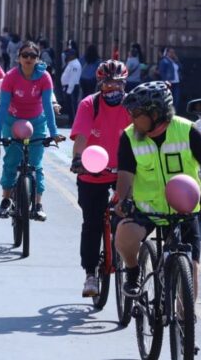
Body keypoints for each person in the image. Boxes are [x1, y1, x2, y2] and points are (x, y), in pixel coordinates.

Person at [114, 82, 201, 304]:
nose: (132, 119)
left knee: (189, 288)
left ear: (155, 113)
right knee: (123, 235)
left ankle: (185, 330)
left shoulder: (187, 130)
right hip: (147, 209)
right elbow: (125, 174)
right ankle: (134, 271)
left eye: (136, 114)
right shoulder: (129, 137)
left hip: (184, 211)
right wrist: (123, 200)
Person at [69, 60, 131, 297]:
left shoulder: (130, 106)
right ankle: (90, 274)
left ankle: (129, 263)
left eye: (117, 84)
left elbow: (140, 136)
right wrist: (78, 160)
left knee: (129, 215)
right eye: (107, 84)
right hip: (93, 171)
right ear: (100, 85)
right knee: (92, 222)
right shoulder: (89, 105)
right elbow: (81, 137)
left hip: (124, 171)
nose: (112, 88)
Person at [0, 41, 64, 221]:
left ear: (38, 59)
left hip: (37, 123)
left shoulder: (44, 77)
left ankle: (38, 204)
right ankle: (6, 200)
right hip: (12, 121)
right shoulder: (11, 77)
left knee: (36, 163)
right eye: (25, 55)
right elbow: (3, 106)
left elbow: (47, 106)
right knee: (11, 161)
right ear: (19, 58)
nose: (29, 59)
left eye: (33, 56)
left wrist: (53, 133)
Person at [60, 49, 83, 121]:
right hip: (69, 87)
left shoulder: (75, 64)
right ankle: (71, 121)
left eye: (69, 55)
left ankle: (73, 122)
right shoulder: (71, 63)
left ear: (73, 55)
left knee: (72, 107)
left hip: (72, 87)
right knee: (69, 106)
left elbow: (73, 78)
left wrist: (69, 90)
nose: (68, 56)